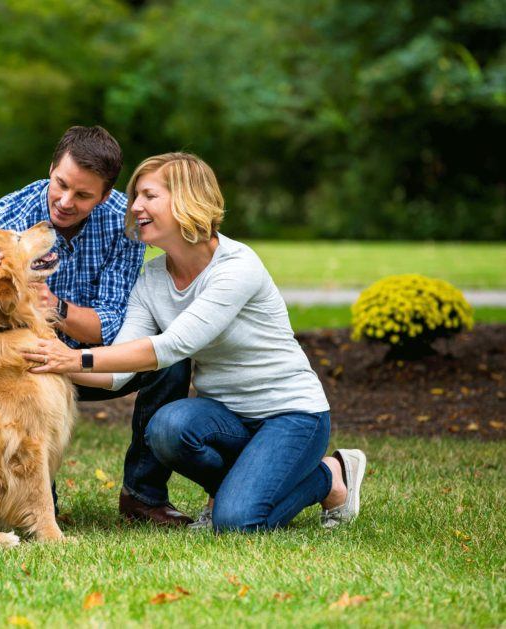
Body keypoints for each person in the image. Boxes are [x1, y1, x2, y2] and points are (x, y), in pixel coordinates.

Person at [23, 152, 367, 532]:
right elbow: (120, 373)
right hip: (224, 418)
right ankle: (241, 486)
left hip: (290, 415)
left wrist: (75, 360)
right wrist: (42, 360)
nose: (135, 205)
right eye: (136, 195)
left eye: (149, 196)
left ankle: (331, 476)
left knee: (238, 523)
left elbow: (170, 346)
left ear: (188, 200)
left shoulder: (237, 267)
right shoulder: (152, 279)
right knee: (167, 428)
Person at [0, 126, 194, 526]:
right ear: (52, 168)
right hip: (26, 370)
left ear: (106, 195)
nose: (66, 201)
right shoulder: (6, 220)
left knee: (168, 360)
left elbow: (114, 326)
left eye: (83, 195)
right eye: (61, 185)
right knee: (41, 510)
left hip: (92, 364)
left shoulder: (124, 225)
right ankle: (32, 501)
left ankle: (143, 495)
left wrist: (57, 308)